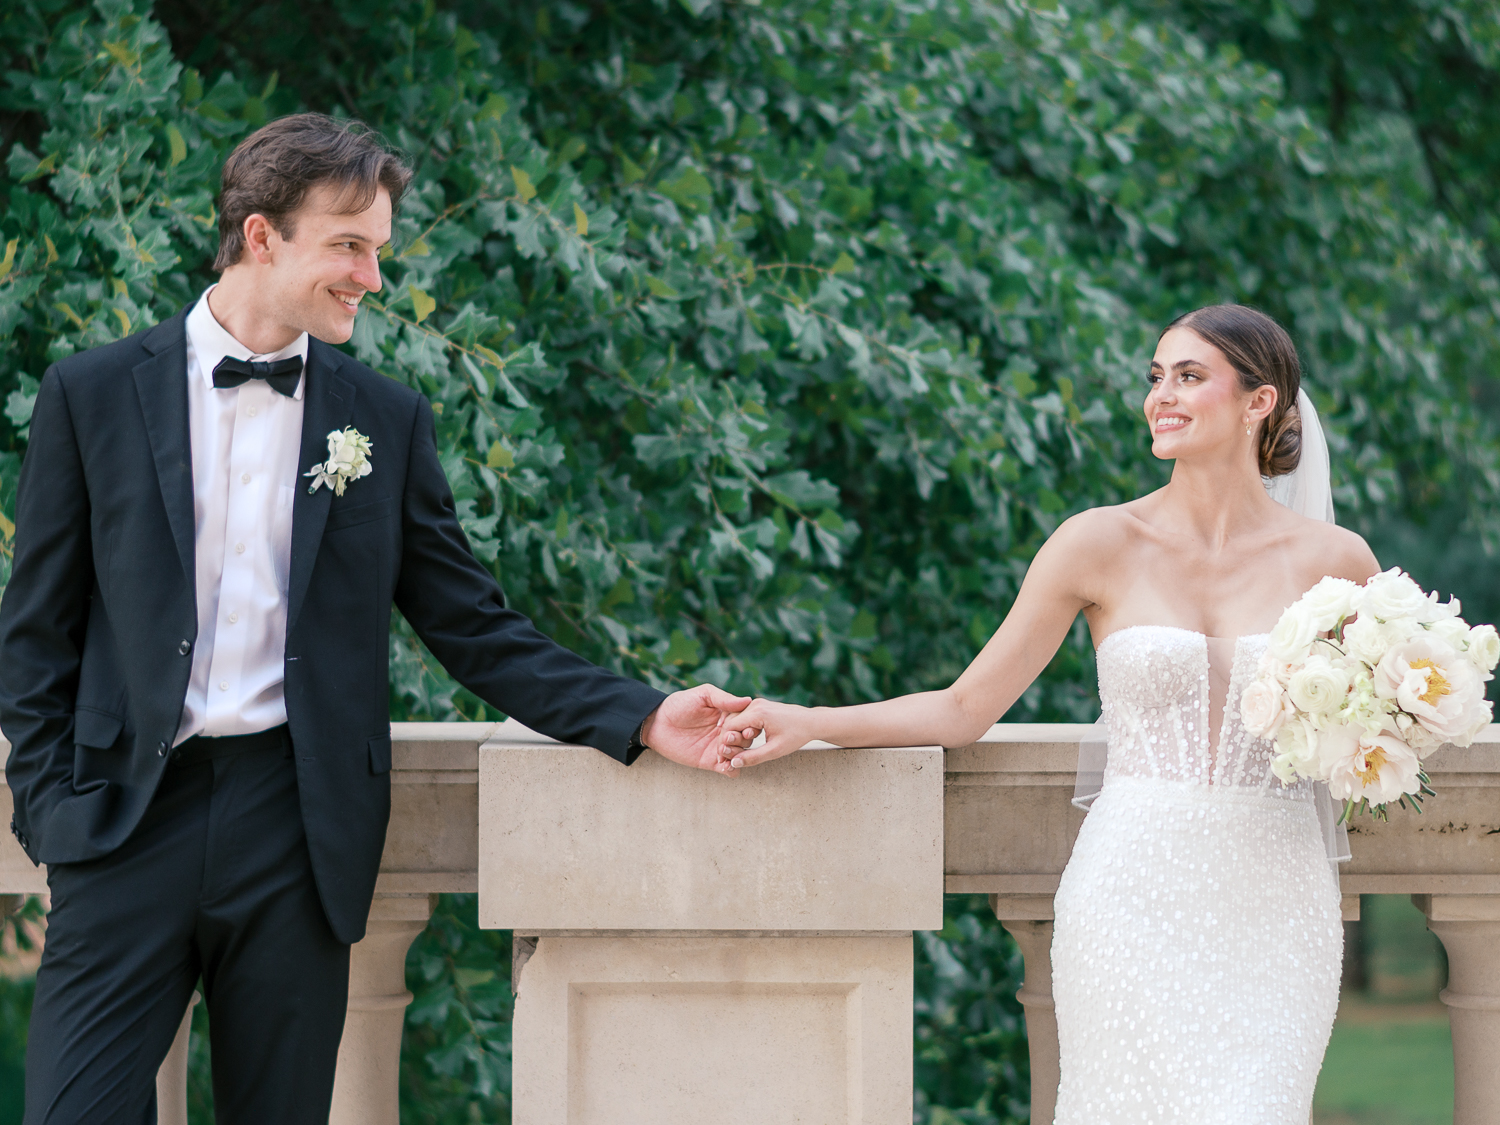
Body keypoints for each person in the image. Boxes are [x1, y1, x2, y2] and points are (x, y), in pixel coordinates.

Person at [0, 113, 749, 1125]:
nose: (373, 278)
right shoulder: (88, 396)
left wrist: (642, 714)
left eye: (380, 251)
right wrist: (53, 816)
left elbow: (471, 624)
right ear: (262, 235)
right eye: (349, 246)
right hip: (123, 824)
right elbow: (36, 629)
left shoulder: (384, 421)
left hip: (295, 829)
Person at [721, 304, 1379, 1123]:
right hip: (1131, 893)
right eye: (1154, 375)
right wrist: (811, 718)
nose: (1158, 396)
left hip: (1276, 898)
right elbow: (965, 706)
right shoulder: (1097, 542)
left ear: (1259, 402)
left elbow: (1374, 729)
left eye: (1188, 376)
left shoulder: (1337, 562)